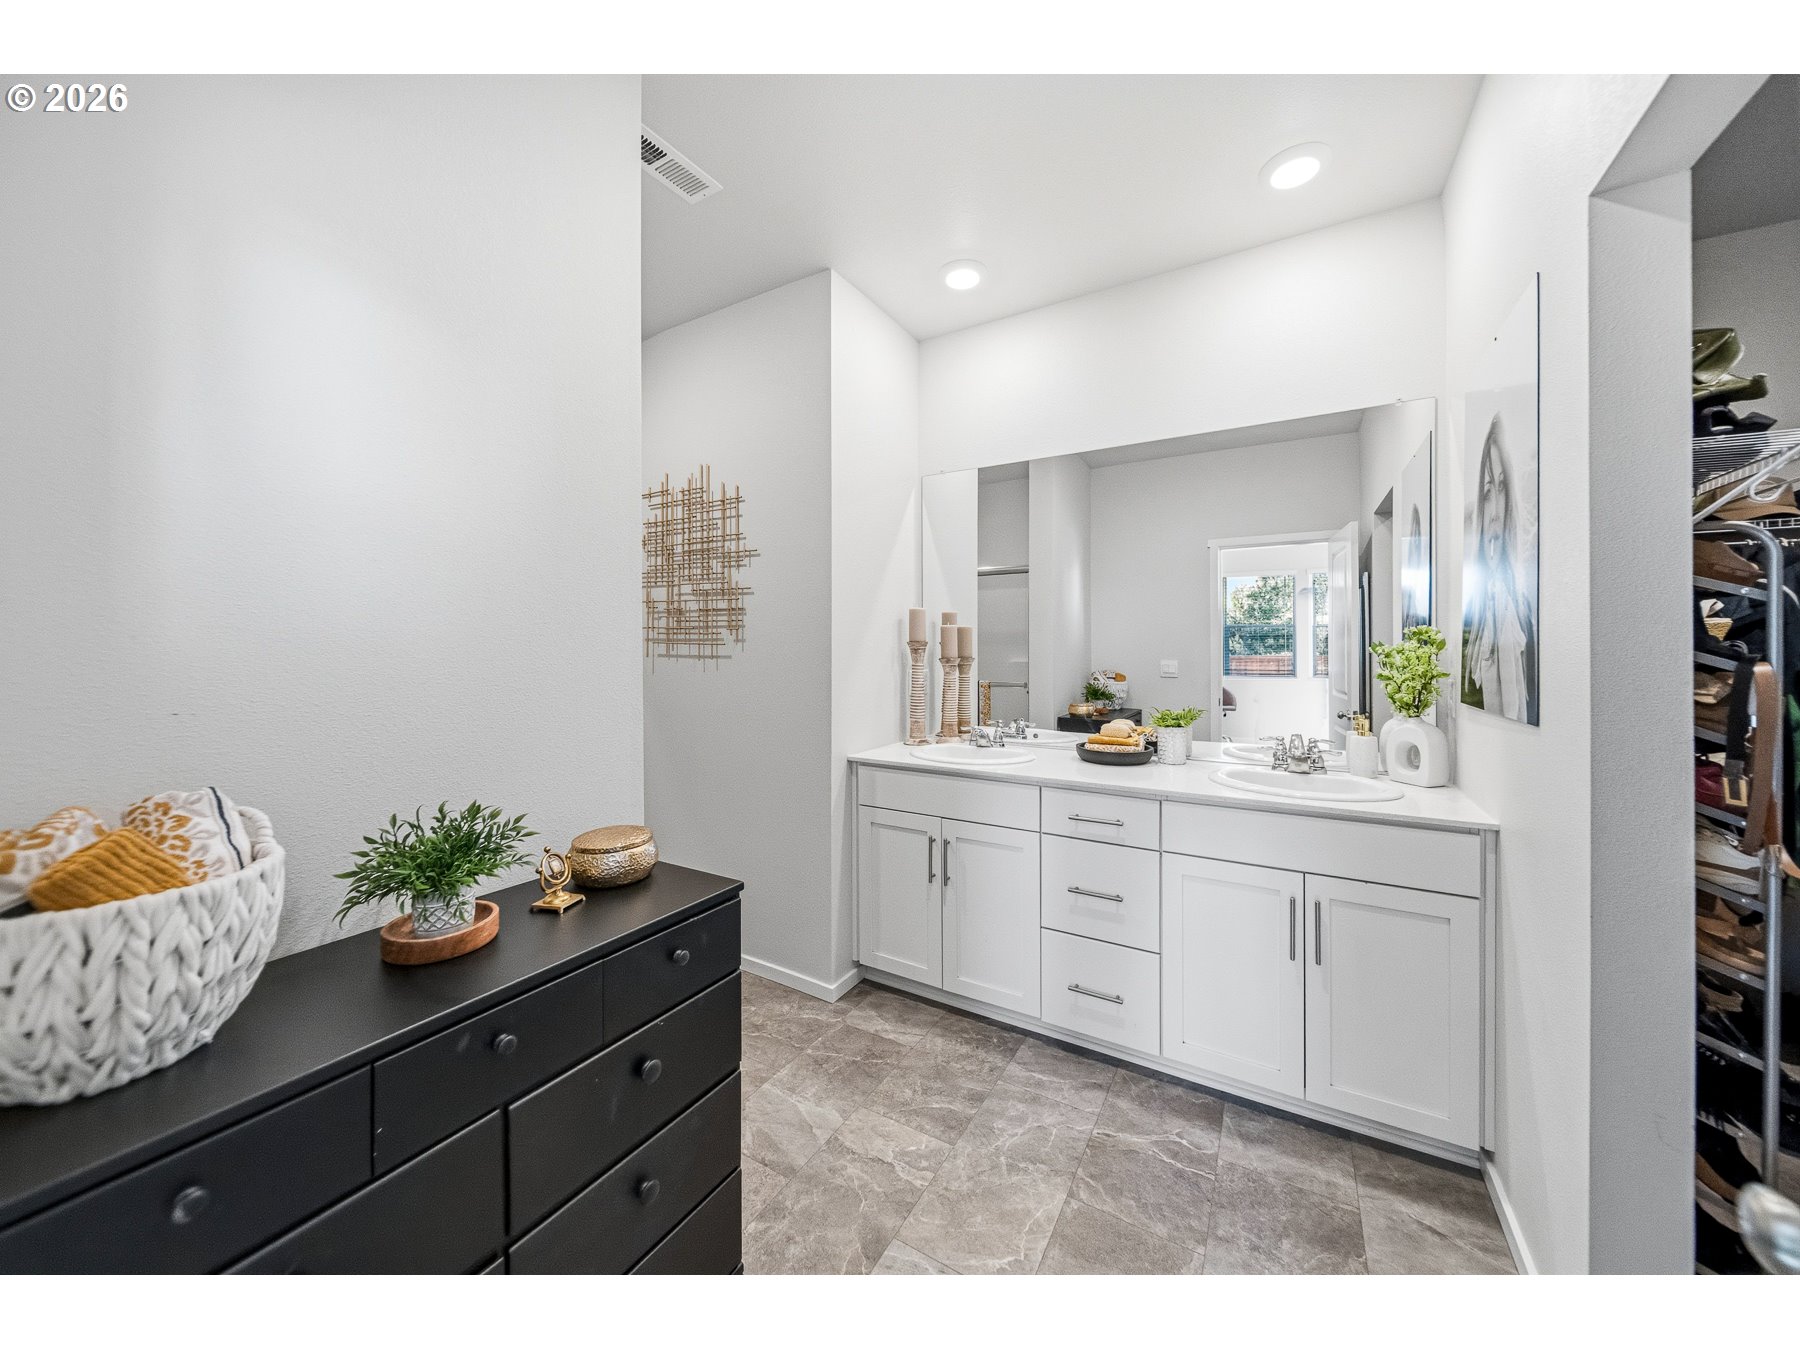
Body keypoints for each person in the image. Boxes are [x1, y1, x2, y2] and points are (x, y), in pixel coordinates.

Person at [1462, 413, 1539, 724]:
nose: (1494, 512)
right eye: (1487, 492)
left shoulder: (1524, 602)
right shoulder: (1476, 604)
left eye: (1503, 487)